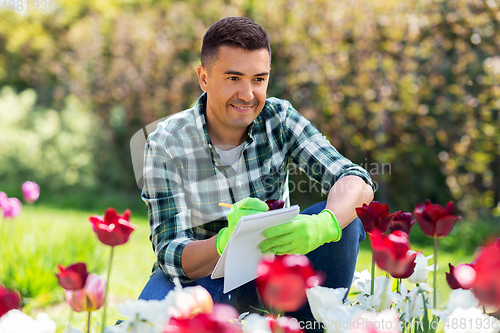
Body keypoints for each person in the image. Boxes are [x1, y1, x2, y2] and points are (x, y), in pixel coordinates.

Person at [139, 16, 374, 328]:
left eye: (258, 79)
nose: (248, 94)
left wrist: (323, 225)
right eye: (233, 78)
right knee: (145, 324)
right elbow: (169, 253)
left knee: (346, 220)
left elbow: (356, 180)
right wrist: (226, 242)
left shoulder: (279, 118)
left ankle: (312, 324)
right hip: (204, 279)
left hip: (277, 277)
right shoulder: (168, 142)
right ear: (204, 78)